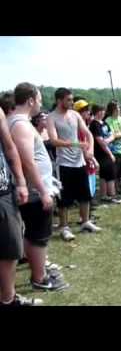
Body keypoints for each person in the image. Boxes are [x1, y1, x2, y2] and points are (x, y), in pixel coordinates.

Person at [7, 82, 68, 291]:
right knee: (38, 235)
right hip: (34, 192)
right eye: (40, 99)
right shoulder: (21, 125)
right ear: (31, 100)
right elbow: (27, 160)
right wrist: (43, 191)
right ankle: (39, 279)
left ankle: (39, 270)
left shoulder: (18, 122)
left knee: (34, 233)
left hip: (34, 189)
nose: (41, 103)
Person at [47, 88, 101, 241]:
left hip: (79, 162)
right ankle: (64, 227)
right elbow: (53, 140)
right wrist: (76, 145)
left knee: (85, 194)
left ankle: (85, 221)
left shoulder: (75, 114)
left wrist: (89, 149)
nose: (72, 102)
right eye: (69, 100)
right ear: (59, 100)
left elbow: (88, 133)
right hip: (64, 163)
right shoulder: (51, 118)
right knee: (64, 198)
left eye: (72, 99)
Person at [0, 106, 36, 306]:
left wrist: (21, 181)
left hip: (4, 191)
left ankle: (7, 298)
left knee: (12, 247)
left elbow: (9, 146)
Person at [89, 104, 121, 204]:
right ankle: (112, 195)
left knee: (104, 174)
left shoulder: (103, 123)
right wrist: (110, 154)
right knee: (110, 173)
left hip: (109, 149)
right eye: (100, 111)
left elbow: (111, 134)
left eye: (103, 111)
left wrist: (111, 138)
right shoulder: (94, 124)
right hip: (102, 152)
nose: (102, 113)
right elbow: (101, 142)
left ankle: (104, 195)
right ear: (96, 112)